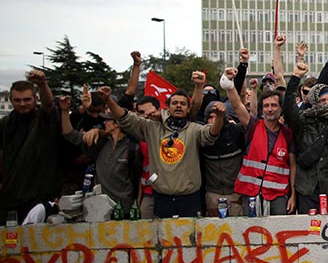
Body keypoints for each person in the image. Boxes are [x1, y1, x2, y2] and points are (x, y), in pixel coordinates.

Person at [100, 86, 225, 218]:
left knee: (190, 237)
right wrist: (108, 100)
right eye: (174, 103)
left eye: (183, 104)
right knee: (165, 238)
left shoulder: (195, 130)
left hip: (189, 199)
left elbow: (211, 133)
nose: (178, 106)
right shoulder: (152, 128)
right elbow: (125, 118)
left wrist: (220, 118)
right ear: (167, 108)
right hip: (162, 199)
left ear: (188, 109)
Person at [283, 58, 328, 214]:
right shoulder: (303, 120)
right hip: (308, 188)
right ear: (314, 100)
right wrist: (295, 78)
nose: (327, 104)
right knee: (310, 231)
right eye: (322, 100)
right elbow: (288, 109)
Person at [225, 75, 297, 216]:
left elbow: (293, 165)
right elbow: (237, 106)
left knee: (277, 235)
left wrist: (293, 195)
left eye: (274, 105)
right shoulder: (252, 126)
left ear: (280, 108)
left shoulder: (288, 134)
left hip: (278, 196)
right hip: (251, 193)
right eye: (266, 106)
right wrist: (228, 83)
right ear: (262, 109)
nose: (270, 109)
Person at [60, 97, 141, 214]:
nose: (103, 122)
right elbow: (69, 134)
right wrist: (64, 111)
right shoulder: (99, 143)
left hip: (125, 209)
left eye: (107, 120)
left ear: (117, 124)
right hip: (101, 208)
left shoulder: (133, 148)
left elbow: (138, 180)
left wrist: (137, 203)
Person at [0, 71, 61, 223]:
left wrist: (42, 84)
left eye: (27, 99)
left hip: (38, 196)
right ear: (11, 100)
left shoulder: (42, 120)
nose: (22, 104)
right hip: (9, 197)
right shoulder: (5, 124)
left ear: (35, 99)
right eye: (17, 100)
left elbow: (48, 105)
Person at [199, 69, 247, 217]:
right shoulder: (200, 136)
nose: (215, 121)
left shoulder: (236, 131)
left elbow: (239, 103)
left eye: (218, 116)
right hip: (213, 195)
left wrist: (240, 71)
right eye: (211, 117)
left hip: (236, 193)